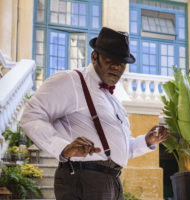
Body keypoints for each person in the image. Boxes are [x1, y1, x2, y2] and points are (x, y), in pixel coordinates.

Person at [20, 27, 170, 200]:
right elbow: (31, 115)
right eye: (110, 59)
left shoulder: (113, 101)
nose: (116, 66)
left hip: (112, 180)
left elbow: (120, 150)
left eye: (121, 63)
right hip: (84, 179)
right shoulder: (71, 81)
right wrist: (62, 148)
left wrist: (147, 141)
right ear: (94, 56)